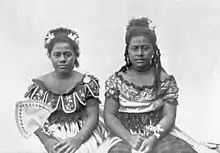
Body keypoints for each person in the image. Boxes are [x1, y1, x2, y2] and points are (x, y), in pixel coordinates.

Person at [96, 17, 219, 153]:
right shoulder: (116, 81)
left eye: (145, 48)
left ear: (154, 50)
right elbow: (109, 115)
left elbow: (169, 116)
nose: (140, 54)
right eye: (135, 48)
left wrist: (154, 137)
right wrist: (129, 138)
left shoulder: (164, 80)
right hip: (125, 135)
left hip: (159, 133)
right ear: (128, 50)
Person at [15, 27, 107, 153]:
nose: (62, 59)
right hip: (51, 134)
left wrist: (77, 140)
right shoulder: (40, 86)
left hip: (82, 132)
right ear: (50, 55)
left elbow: (93, 116)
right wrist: (46, 140)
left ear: (76, 55)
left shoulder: (86, 83)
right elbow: (34, 119)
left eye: (67, 54)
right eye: (57, 55)